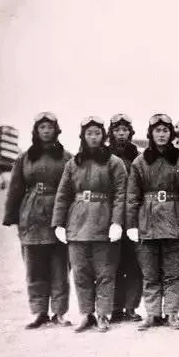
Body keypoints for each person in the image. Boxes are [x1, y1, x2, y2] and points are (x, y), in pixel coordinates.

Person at [52, 116, 128, 333]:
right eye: (89, 133)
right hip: (77, 225)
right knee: (80, 272)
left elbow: (121, 194)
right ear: (83, 136)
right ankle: (87, 314)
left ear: (103, 136)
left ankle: (103, 314)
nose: (93, 137)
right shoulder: (72, 164)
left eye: (97, 133)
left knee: (105, 272)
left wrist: (117, 222)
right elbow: (63, 195)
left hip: (104, 222)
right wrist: (58, 223)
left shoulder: (114, 163)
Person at [3, 112, 73, 329]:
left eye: (49, 127)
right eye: (42, 127)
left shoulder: (67, 157)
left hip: (58, 214)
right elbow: (15, 188)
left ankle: (59, 312)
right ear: (36, 131)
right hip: (31, 215)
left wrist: (71, 217)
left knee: (60, 266)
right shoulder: (24, 158)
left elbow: (74, 187)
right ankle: (39, 311)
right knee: (34, 266)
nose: (46, 131)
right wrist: (11, 215)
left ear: (56, 130)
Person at [126, 113, 179, 331]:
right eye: (158, 130)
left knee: (174, 272)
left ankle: (172, 313)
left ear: (171, 133)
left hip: (174, 222)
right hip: (147, 223)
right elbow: (132, 196)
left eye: (166, 130)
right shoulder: (139, 162)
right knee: (150, 273)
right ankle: (152, 314)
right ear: (151, 134)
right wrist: (131, 225)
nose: (162, 134)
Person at [106, 113, 143, 323]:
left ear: (130, 132)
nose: (121, 133)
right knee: (112, 263)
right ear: (111, 132)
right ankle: (115, 307)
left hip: (134, 214)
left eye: (125, 130)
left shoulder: (137, 156)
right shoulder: (104, 155)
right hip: (110, 214)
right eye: (117, 130)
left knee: (134, 263)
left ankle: (131, 307)